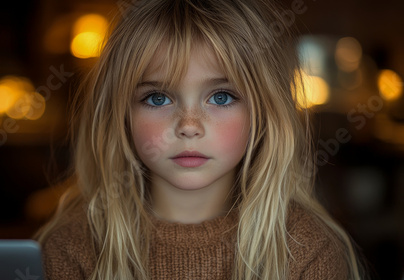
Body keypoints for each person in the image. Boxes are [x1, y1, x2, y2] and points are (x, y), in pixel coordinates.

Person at [36, 0, 365, 279]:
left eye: (221, 97)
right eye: (158, 98)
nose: (188, 126)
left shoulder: (307, 251)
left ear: (263, 113)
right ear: (121, 115)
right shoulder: (73, 247)